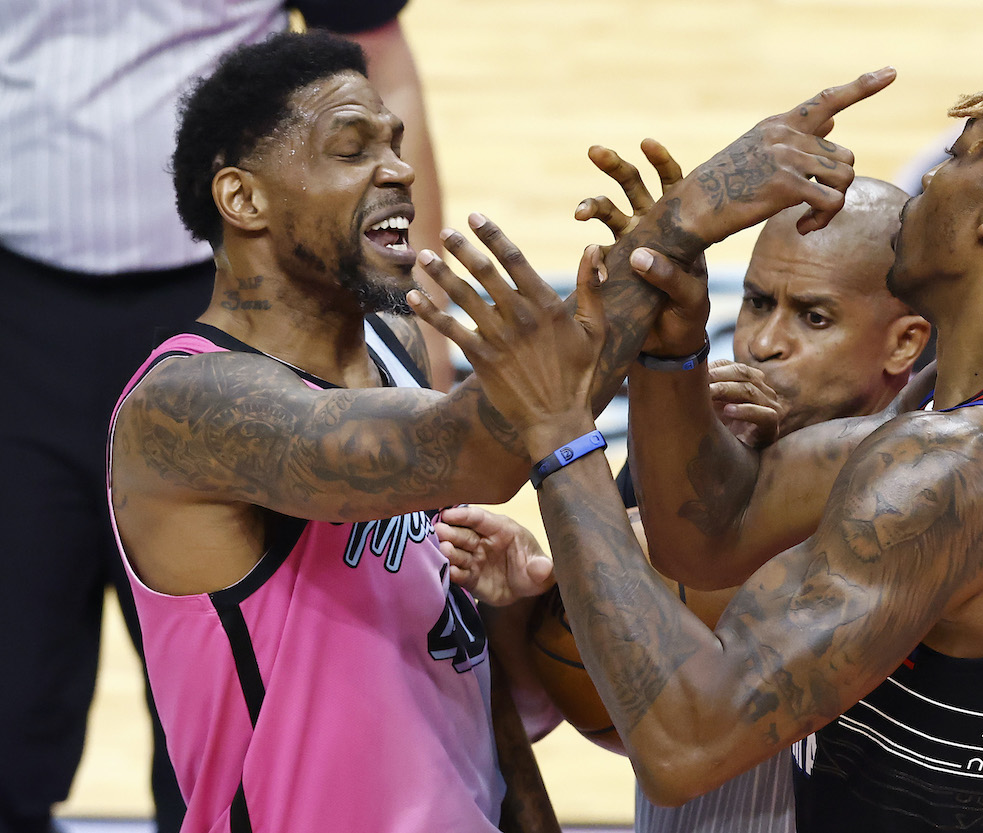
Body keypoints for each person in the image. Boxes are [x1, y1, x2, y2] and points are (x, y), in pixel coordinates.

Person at [408, 48, 983, 832]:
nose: (925, 183)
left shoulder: (951, 474)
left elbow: (685, 743)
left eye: (952, 160)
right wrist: (673, 351)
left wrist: (560, 432)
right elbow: (705, 534)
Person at [106, 29, 887, 832]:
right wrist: (681, 221)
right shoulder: (186, 411)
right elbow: (478, 445)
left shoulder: (398, 347)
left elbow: (455, 658)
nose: (399, 171)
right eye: (351, 149)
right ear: (243, 199)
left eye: (395, 144)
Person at [0, 4, 448, 831]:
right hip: (17, 314)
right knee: (12, 695)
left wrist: (413, 317)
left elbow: (377, 53)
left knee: (236, 704)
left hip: (234, 309)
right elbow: (480, 443)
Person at [440, 175, 930, 833]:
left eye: (813, 316)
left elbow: (697, 739)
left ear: (905, 341)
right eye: (757, 302)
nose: (763, 341)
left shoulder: (941, 482)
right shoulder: (673, 465)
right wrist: (535, 594)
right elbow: (593, 714)